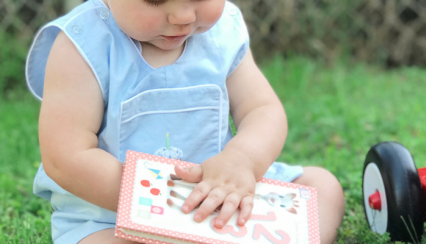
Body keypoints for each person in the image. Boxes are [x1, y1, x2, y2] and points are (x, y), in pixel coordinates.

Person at [26, 0, 345, 243]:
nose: (183, 16)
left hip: (224, 195)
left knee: (323, 189)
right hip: (114, 214)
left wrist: (241, 160)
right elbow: (65, 157)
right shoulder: (84, 45)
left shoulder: (222, 35)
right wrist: (169, 210)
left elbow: (261, 109)